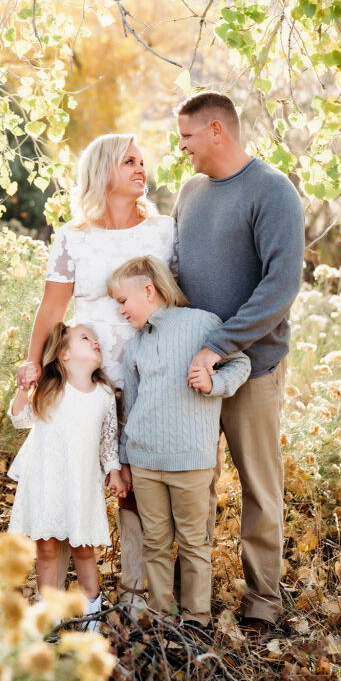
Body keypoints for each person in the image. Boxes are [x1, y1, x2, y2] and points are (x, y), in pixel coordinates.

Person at [16, 133, 177, 604]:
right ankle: (59, 601)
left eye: (142, 161)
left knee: (136, 488)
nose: (140, 168)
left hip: (152, 377)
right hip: (88, 385)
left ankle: (136, 593)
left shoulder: (164, 230)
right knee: (75, 479)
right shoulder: (73, 238)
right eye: (129, 161)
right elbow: (50, 312)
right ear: (103, 170)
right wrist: (34, 364)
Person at [174, 91, 305, 635]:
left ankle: (262, 604)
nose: (181, 149)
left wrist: (220, 344)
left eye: (187, 138)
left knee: (258, 485)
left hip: (254, 367)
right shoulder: (189, 192)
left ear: (216, 131)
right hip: (195, 369)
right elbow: (177, 269)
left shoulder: (272, 191)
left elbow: (281, 286)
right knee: (193, 482)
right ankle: (193, 601)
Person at [107, 256, 250, 623]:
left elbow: (240, 363)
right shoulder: (136, 346)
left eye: (122, 301)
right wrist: (123, 461)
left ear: (149, 290)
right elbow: (133, 405)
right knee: (155, 542)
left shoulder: (202, 324)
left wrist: (214, 383)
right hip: (144, 462)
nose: (120, 311)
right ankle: (161, 619)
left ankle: (196, 619)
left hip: (190, 460)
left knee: (193, 543)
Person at [8, 323, 127, 628]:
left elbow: (107, 441)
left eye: (96, 338)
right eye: (86, 338)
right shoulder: (51, 389)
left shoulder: (103, 394)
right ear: (64, 354)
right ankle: (50, 618)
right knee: (47, 550)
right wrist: (24, 389)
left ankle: (91, 620)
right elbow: (20, 419)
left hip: (81, 484)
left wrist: (113, 471)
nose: (95, 341)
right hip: (46, 481)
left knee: (84, 550)